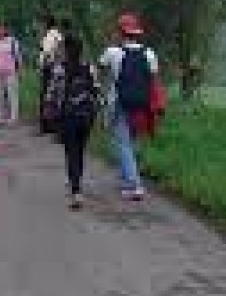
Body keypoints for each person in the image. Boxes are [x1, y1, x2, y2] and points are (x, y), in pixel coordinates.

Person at [100, 13, 159, 201]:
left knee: (122, 143)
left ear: (121, 32)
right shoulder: (149, 53)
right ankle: (126, 183)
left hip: (119, 102)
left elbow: (102, 68)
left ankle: (135, 184)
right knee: (131, 142)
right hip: (141, 103)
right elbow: (153, 79)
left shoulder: (113, 52)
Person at [55, 34, 99, 210]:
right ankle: (76, 182)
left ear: (66, 50)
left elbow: (54, 95)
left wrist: (52, 116)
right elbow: (96, 90)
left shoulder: (60, 70)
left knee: (71, 152)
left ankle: (76, 190)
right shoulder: (89, 68)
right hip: (86, 116)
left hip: (68, 116)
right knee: (80, 150)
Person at [0, 24, 22, 126]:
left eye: (3, 29)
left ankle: (13, 118)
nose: (1, 31)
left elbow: (18, 57)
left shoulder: (12, 41)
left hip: (11, 72)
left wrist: (20, 71)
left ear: (6, 30)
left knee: (12, 94)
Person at [38, 14, 64, 135]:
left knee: (46, 96)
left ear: (46, 24)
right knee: (56, 96)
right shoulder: (59, 35)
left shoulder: (49, 36)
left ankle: (46, 126)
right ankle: (54, 125)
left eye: (42, 23)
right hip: (58, 68)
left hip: (49, 68)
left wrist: (44, 64)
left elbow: (47, 53)